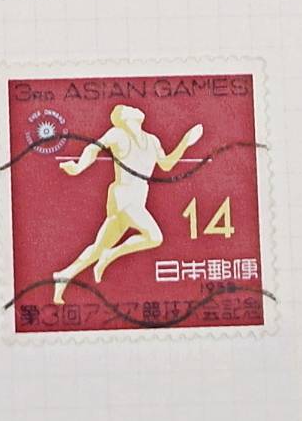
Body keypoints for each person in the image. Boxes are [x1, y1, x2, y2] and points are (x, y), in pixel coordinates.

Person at [48, 104, 204, 303]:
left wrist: (185, 142)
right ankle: (110, 255)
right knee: (155, 237)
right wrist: (79, 167)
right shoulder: (118, 134)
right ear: (123, 118)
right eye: (128, 109)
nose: (135, 108)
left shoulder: (152, 140)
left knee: (97, 248)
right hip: (123, 198)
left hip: (138, 199)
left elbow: (166, 164)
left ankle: (64, 275)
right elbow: (93, 148)